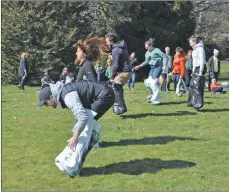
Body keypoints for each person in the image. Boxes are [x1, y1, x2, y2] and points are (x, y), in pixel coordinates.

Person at [38, 80, 115, 174]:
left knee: (84, 130)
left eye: (46, 103)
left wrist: (74, 137)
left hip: (104, 95)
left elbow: (83, 117)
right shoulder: (63, 92)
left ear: (51, 97)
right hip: (102, 93)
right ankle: (77, 163)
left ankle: (75, 166)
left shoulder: (68, 97)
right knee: (81, 128)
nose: (47, 106)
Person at [133, 38, 168, 104]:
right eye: (145, 47)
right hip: (152, 67)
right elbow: (146, 62)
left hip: (158, 66)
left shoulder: (157, 50)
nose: (146, 48)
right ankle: (150, 95)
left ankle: (156, 99)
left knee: (154, 82)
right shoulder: (147, 53)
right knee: (148, 82)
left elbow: (164, 57)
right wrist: (139, 66)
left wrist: (164, 65)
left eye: (147, 47)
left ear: (151, 46)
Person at [105, 32, 131, 114]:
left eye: (107, 41)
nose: (106, 43)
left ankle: (120, 108)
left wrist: (111, 77)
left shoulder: (116, 50)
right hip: (125, 72)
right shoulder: (120, 47)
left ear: (111, 40)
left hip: (124, 72)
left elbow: (115, 66)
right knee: (117, 88)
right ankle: (121, 107)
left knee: (114, 86)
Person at [187, 36, 207, 110]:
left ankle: (199, 104)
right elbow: (194, 61)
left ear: (195, 42)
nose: (190, 44)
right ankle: (192, 102)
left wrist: (201, 72)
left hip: (201, 67)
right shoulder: (194, 50)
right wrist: (193, 71)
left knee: (197, 86)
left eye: (191, 43)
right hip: (196, 68)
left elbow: (202, 60)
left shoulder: (200, 49)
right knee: (192, 85)